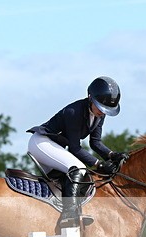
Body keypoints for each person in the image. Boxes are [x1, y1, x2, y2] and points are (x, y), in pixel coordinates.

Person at [27, 76, 128, 227]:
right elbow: (75, 149)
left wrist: (112, 155)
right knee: (78, 168)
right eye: (100, 107)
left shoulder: (99, 115)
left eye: (105, 109)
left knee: (74, 177)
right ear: (90, 98)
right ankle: (69, 215)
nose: (102, 112)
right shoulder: (74, 111)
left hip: (56, 146)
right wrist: (99, 164)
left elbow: (95, 143)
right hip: (42, 142)